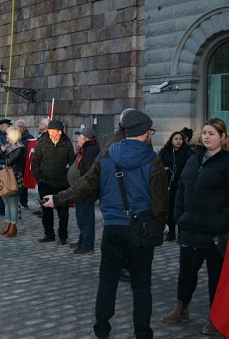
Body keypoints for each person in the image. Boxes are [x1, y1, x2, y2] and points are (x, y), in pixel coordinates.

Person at [43, 109, 168, 339]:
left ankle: (101, 331)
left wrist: (58, 198)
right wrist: (156, 229)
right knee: (141, 288)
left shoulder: (107, 155)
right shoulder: (153, 160)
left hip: (112, 229)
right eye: (150, 130)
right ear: (144, 132)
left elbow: (84, 186)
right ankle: (143, 334)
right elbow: (160, 204)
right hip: (141, 229)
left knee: (107, 283)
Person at [161, 118, 229, 335]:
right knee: (186, 272)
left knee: (217, 277)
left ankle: (216, 318)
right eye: (205, 133)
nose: (207, 137)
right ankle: (181, 309)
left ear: (223, 137)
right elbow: (180, 187)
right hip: (190, 227)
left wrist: (222, 220)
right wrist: (179, 215)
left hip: (216, 232)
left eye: (212, 134)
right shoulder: (194, 158)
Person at [30, 119, 74, 244]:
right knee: (46, 212)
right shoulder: (42, 143)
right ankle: (49, 234)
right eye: (57, 131)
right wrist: (39, 178)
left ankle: (63, 236)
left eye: (61, 130)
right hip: (46, 183)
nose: (60, 133)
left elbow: (72, 162)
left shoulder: (66, 142)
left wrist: (68, 177)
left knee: (63, 213)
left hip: (63, 184)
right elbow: (35, 162)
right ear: (50, 131)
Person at [68, 126, 100, 254]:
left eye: (80, 137)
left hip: (86, 190)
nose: (78, 139)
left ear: (85, 139)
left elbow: (89, 171)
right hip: (79, 189)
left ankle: (87, 245)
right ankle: (82, 240)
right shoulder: (84, 149)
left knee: (86, 218)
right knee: (81, 216)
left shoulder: (92, 150)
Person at [157, 131, 192, 242]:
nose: (178, 141)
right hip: (169, 185)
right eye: (175, 139)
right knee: (170, 209)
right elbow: (158, 166)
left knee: (181, 209)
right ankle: (171, 232)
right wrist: (164, 169)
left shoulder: (188, 153)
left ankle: (182, 233)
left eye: (180, 139)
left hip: (183, 186)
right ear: (171, 140)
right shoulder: (165, 152)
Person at [0, 125, 25, 238]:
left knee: (13, 203)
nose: (6, 136)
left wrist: (4, 154)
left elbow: (11, 161)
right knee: (6, 203)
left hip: (14, 177)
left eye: (7, 134)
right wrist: (2, 151)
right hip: (5, 176)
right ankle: (7, 224)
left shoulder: (20, 147)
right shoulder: (8, 146)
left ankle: (13, 226)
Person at [15, 120, 34, 209]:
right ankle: (15, 201)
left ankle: (24, 201)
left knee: (24, 185)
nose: (19, 128)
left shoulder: (30, 138)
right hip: (16, 165)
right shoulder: (13, 137)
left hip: (25, 165)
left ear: (24, 128)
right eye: (17, 126)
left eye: (21, 127)